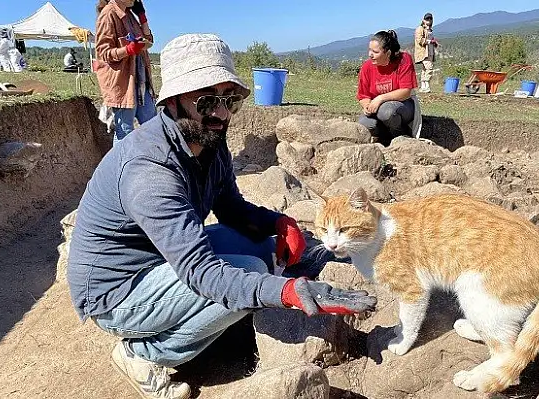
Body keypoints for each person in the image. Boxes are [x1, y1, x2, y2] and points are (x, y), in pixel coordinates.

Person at [67, 33, 377, 399]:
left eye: (230, 99)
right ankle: (141, 353)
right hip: (117, 289)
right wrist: (289, 291)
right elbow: (201, 273)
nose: (223, 112)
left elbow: (229, 207)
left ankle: (199, 319)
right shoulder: (149, 171)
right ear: (174, 102)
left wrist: (277, 223)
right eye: (208, 100)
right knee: (252, 275)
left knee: (259, 248)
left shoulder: (207, 139)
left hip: (159, 255)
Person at [95, 0, 157, 144]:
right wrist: (129, 50)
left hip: (141, 81)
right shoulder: (108, 14)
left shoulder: (129, 14)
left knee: (153, 125)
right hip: (123, 82)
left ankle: (149, 160)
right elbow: (104, 53)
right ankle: (120, 164)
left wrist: (142, 17)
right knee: (125, 131)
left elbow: (148, 40)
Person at [357, 30, 421, 145]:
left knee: (386, 111)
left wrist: (380, 98)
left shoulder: (404, 60)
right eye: (370, 50)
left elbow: (405, 92)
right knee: (364, 122)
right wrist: (367, 106)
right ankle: (386, 138)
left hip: (403, 105)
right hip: (378, 110)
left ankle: (401, 137)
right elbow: (363, 95)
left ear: (388, 53)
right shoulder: (367, 67)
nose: (370, 54)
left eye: (375, 52)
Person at [414, 13, 438, 93]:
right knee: (429, 68)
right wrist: (430, 41)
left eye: (430, 19)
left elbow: (431, 40)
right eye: (427, 19)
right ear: (423, 20)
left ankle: (423, 86)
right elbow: (419, 40)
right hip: (423, 53)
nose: (429, 20)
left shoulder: (430, 30)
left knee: (425, 69)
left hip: (430, 52)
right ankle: (427, 85)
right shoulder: (420, 29)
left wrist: (434, 43)